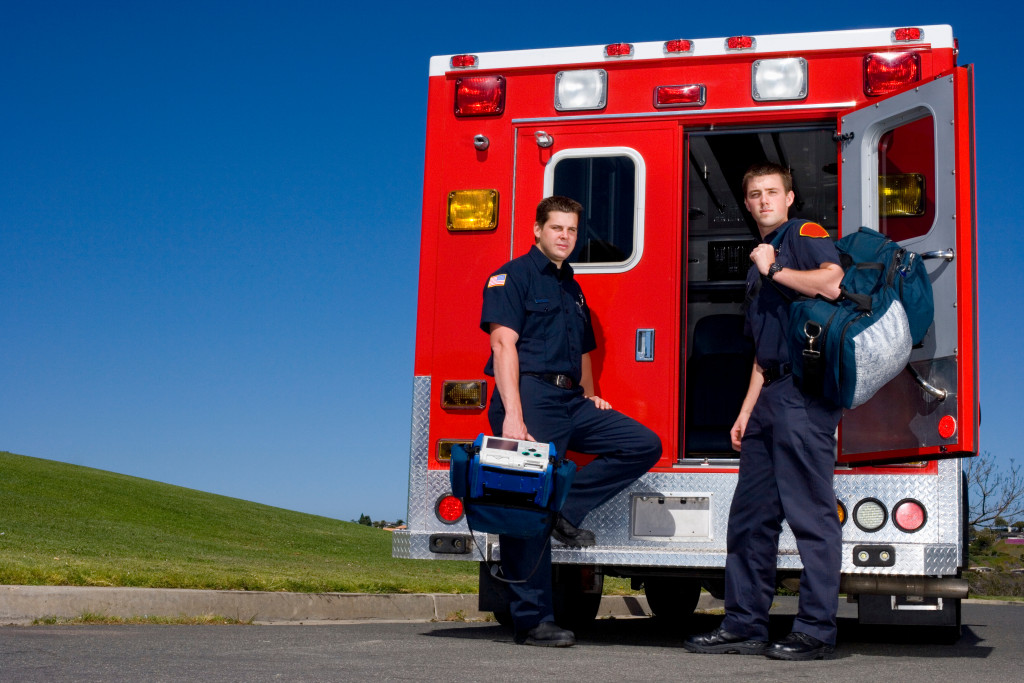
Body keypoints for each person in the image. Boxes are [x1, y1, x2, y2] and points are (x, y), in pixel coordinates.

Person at [480, 195, 662, 647]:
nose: (565, 237)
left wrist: (590, 393)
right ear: (537, 230)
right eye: (557, 228)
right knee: (526, 512)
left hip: (569, 398)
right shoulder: (511, 277)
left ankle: (565, 507)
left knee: (642, 444)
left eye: (572, 231)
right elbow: (504, 347)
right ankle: (533, 621)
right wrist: (514, 418)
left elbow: (582, 349)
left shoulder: (571, 286)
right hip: (531, 396)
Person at [683, 163, 844, 661]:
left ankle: (815, 630)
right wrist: (744, 411)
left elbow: (832, 283)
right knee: (750, 519)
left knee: (811, 516)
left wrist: (775, 267)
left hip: (803, 396)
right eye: (755, 194)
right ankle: (744, 624)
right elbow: (760, 352)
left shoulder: (804, 234)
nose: (764, 201)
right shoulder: (757, 266)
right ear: (747, 203)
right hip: (769, 397)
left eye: (772, 192)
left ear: (790, 197)